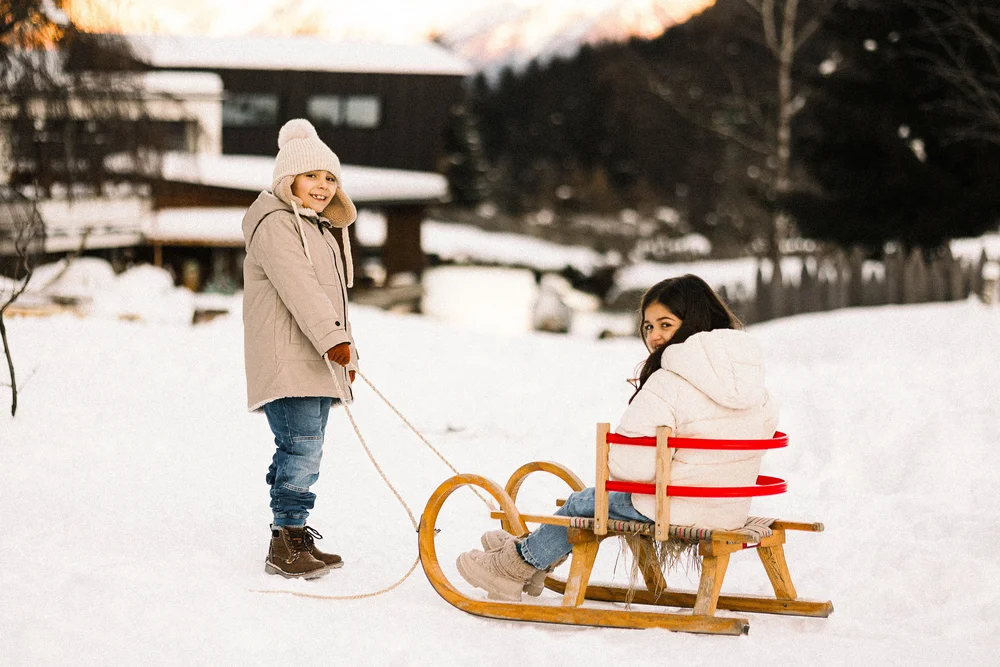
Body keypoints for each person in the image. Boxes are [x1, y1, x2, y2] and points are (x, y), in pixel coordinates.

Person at [456, 274, 779, 601]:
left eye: (665, 324)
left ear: (694, 320)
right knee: (588, 501)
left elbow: (630, 470)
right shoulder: (755, 386)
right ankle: (532, 556)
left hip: (676, 508)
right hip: (730, 507)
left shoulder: (670, 382)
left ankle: (515, 565)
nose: (654, 336)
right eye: (649, 326)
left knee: (583, 504)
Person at [242, 118, 360, 580]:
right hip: (288, 356)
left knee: (300, 448)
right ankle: (285, 539)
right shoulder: (275, 224)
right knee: (302, 449)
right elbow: (301, 289)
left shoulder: (316, 228)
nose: (322, 186)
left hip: (312, 356)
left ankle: (290, 531)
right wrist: (333, 340)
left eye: (330, 178)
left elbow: (332, 302)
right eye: (312, 175)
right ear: (287, 178)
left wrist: (345, 352)